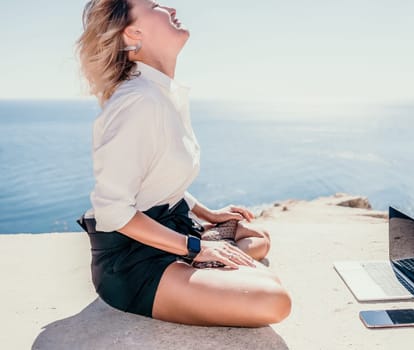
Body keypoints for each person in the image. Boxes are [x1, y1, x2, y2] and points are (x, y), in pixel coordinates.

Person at [75, 0, 291, 327]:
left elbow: (160, 181)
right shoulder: (138, 103)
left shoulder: (161, 93)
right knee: (273, 299)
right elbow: (113, 211)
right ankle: (196, 268)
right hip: (134, 261)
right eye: (155, 5)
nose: (171, 8)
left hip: (171, 227)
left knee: (257, 237)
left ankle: (200, 269)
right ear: (133, 32)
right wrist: (195, 248)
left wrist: (209, 215)